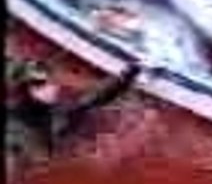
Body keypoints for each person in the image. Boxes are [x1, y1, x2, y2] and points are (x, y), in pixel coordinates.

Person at [6, 58, 142, 161]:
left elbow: (96, 97)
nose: (54, 87)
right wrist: (126, 77)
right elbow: (95, 99)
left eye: (52, 82)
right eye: (46, 85)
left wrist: (125, 76)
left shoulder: (25, 102)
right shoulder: (60, 119)